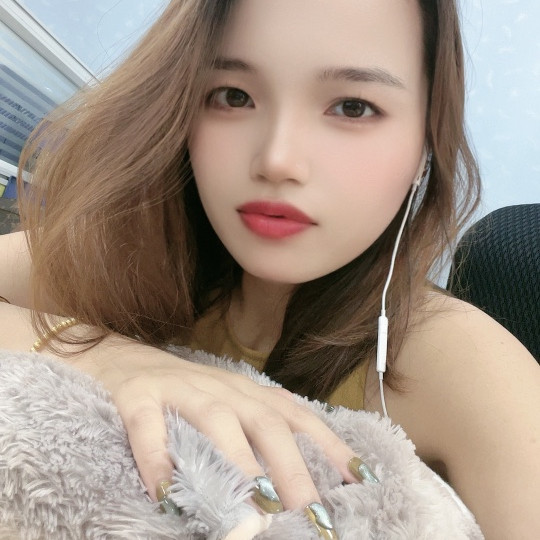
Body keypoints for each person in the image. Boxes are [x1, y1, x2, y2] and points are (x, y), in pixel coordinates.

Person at [0, 0, 538, 538]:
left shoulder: (474, 371)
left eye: (353, 107)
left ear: (426, 144)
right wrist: (106, 355)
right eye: (233, 96)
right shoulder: (122, 257)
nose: (277, 159)